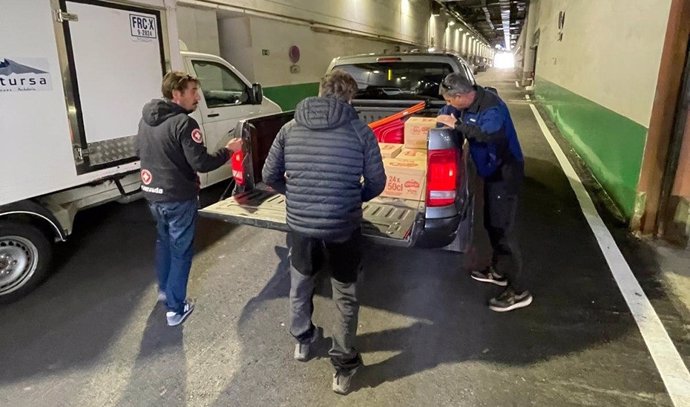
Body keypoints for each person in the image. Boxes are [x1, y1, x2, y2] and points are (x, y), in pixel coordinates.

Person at [262, 69, 386, 394]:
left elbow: (269, 173)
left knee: (301, 281)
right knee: (344, 295)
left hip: (301, 225)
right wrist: (351, 197)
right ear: (349, 97)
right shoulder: (360, 132)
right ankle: (343, 368)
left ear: (320, 91)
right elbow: (377, 182)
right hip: (343, 226)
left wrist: (296, 195)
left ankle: (302, 341)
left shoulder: (289, 128)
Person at [137, 71, 242, 326]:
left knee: (164, 242)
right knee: (182, 251)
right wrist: (228, 150)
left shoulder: (146, 120)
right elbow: (202, 163)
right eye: (193, 92)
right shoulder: (184, 124)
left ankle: (165, 291)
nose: (198, 97)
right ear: (176, 94)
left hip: (153, 194)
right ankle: (176, 308)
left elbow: (138, 150)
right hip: (178, 198)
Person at [436, 72, 533, 312]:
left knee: (503, 228)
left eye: (450, 100)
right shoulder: (469, 102)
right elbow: (449, 113)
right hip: (491, 171)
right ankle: (498, 271)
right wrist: (446, 117)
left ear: (461, 96)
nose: (449, 105)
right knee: (491, 222)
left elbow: (488, 134)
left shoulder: (492, 108)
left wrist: (457, 125)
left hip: (505, 172)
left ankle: (519, 290)